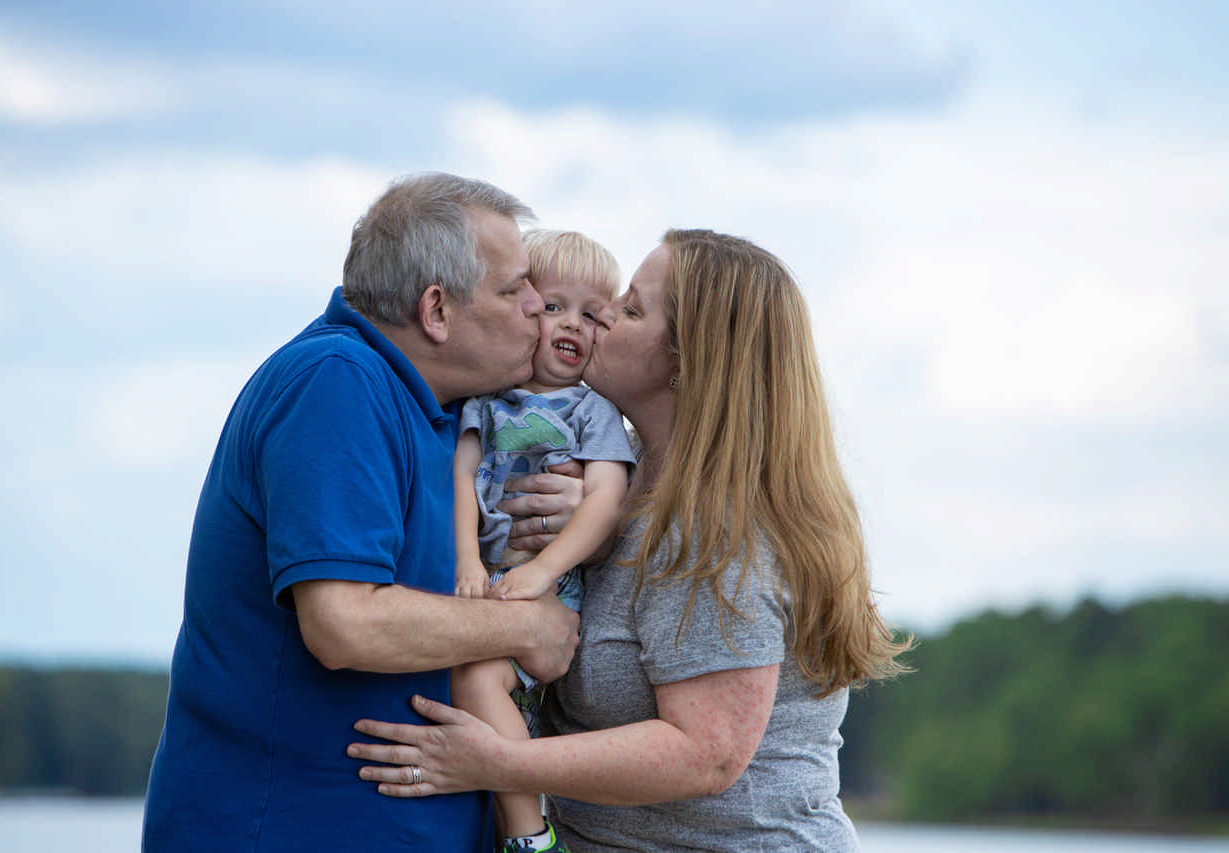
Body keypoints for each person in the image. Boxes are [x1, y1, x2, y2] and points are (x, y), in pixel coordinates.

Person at [346, 228, 912, 851]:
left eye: (632, 309)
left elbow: (707, 754)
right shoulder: (621, 483)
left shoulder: (718, 531)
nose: (604, 316)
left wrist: (492, 763)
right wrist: (596, 520)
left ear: (686, 362)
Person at [142, 173, 585, 853]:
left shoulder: (443, 412)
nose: (539, 308)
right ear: (436, 310)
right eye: (515, 289)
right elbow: (343, 621)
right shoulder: (337, 380)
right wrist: (530, 623)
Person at [451, 230, 635, 853]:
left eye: (593, 314)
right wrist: (466, 559)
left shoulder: (592, 412)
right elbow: (461, 472)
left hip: (551, 587)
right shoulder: (486, 400)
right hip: (491, 581)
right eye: (554, 305)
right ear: (526, 310)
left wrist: (545, 569)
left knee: (475, 681)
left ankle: (531, 837)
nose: (572, 324)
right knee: (473, 684)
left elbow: (605, 499)